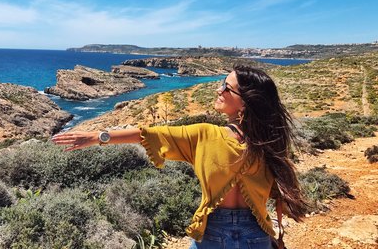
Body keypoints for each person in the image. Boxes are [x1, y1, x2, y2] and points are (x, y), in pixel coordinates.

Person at [52, 65, 306, 249]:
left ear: (244, 103)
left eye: (226, 87)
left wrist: (97, 137)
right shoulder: (270, 143)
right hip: (256, 234)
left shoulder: (205, 135)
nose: (219, 89)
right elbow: (280, 191)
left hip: (211, 234)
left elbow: (147, 134)